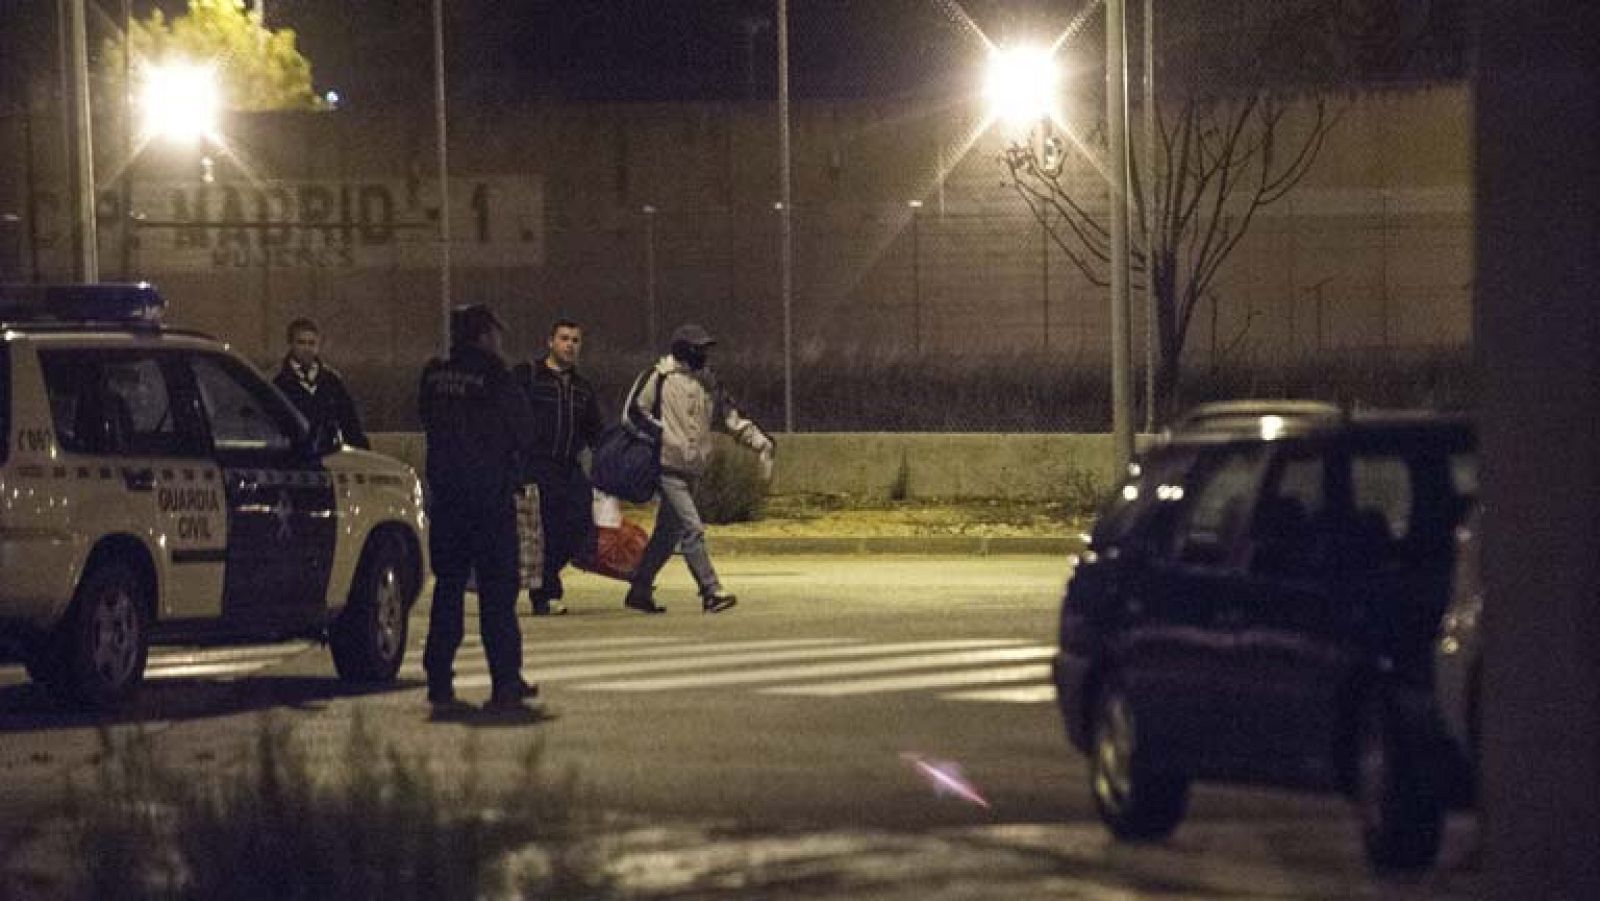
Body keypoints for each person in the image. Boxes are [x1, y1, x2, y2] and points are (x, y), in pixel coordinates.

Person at [418, 304, 540, 712]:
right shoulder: (495, 375)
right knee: (497, 594)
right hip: (489, 502)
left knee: (448, 590)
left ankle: (439, 681)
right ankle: (505, 682)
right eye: (494, 333)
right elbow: (523, 430)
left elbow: (428, 422)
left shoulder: (434, 376)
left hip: (448, 501)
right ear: (484, 335)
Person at [624, 323, 774, 614]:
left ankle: (639, 589)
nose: (704, 354)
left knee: (666, 535)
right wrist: (662, 436)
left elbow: (731, 418)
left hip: (693, 469)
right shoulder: (659, 376)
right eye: (699, 348)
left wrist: (760, 442)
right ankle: (710, 590)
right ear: (683, 349)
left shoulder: (709, 382)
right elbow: (633, 414)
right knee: (692, 528)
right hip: (668, 467)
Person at [514, 318, 605, 616]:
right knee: (544, 531)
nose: (570, 345)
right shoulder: (529, 377)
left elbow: (596, 432)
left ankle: (545, 579)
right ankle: (545, 594)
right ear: (549, 342)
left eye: (576, 340)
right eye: (564, 339)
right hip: (535, 466)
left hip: (568, 467)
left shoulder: (582, 388)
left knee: (579, 526)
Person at [273, 317, 369, 449]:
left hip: (327, 452)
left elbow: (349, 423)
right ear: (291, 344)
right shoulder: (278, 381)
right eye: (301, 343)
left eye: (312, 343)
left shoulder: (331, 380)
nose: (307, 348)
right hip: (292, 452)